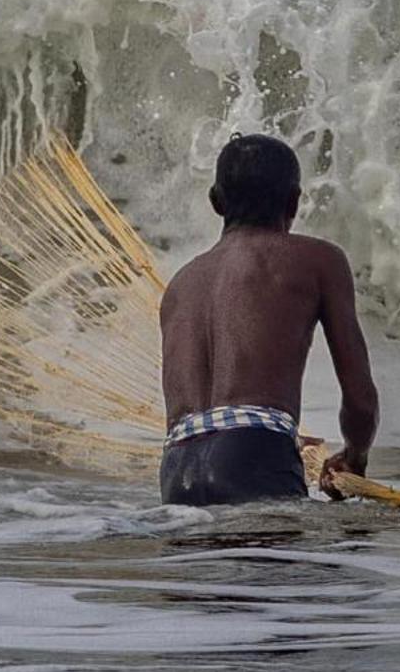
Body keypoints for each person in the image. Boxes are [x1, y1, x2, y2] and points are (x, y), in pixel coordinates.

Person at [158, 133, 378, 505]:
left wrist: (279, 438)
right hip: (253, 455)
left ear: (216, 202)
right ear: (294, 201)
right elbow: (360, 399)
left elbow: (223, 417)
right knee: (336, 556)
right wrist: (354, 459)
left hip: (178, 468)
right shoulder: (319, 260)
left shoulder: (180, 284)